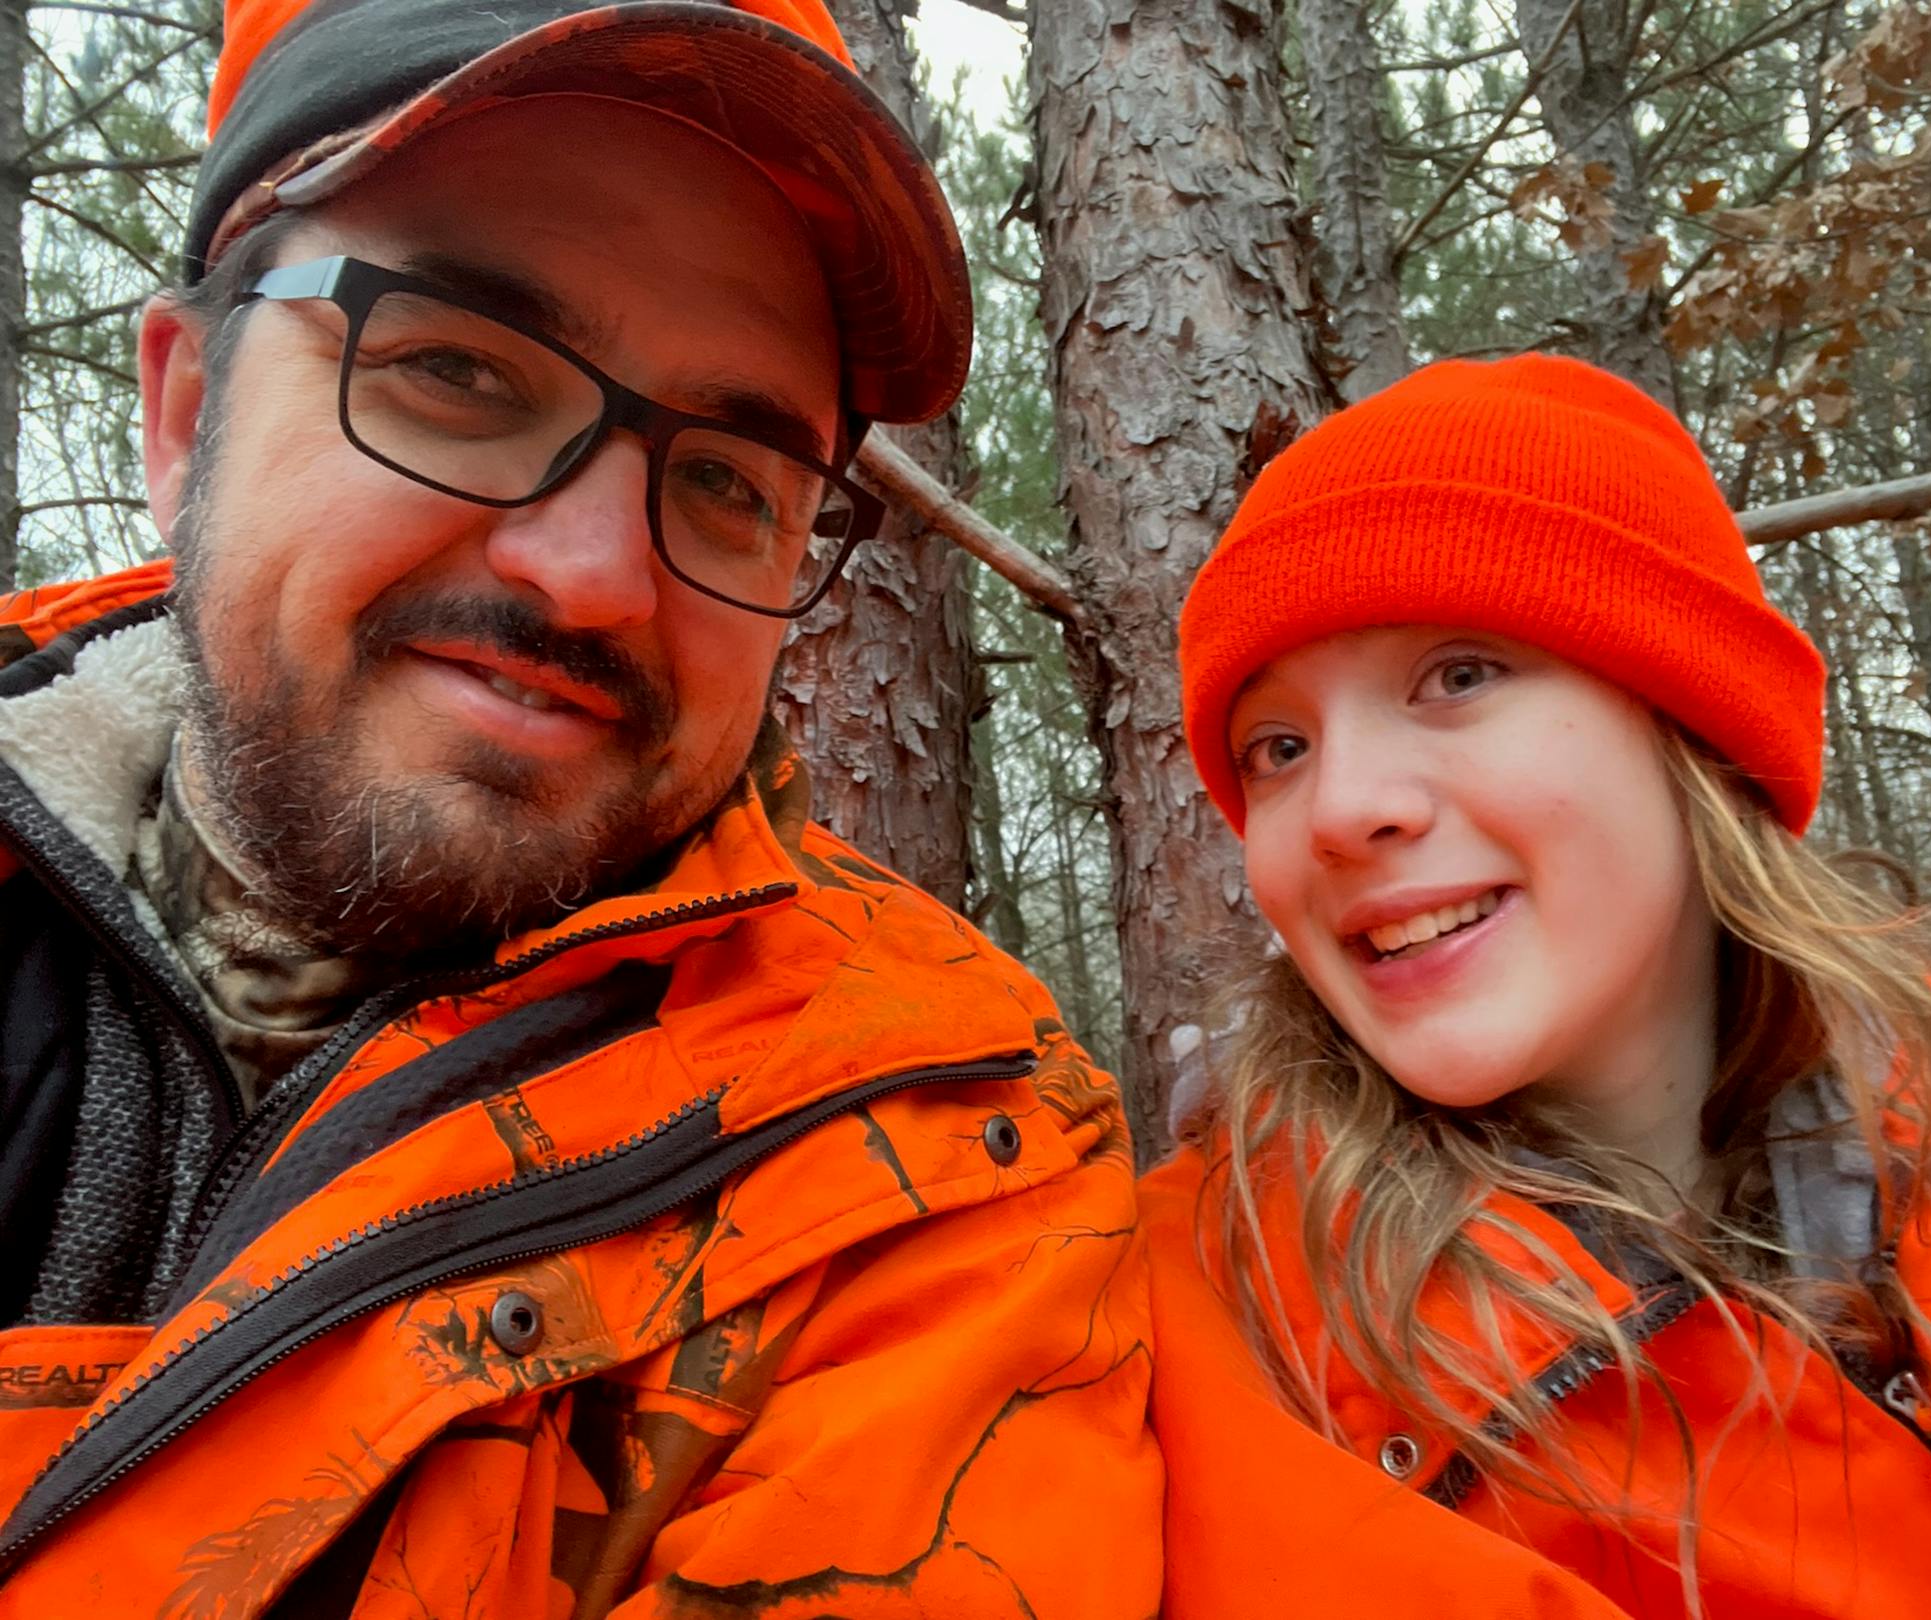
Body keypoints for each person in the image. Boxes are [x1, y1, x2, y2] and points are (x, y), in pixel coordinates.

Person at [0, 2, 1158, 1613]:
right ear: (187, 412)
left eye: (727, 482)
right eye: (458, 371)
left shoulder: (935, 1152)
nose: (595, 576)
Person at [1142, 354, 1931, 1618]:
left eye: (1458, 674)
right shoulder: (1211, 1333)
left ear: (1688, 722)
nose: (1340, 810)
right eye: (1277, 748)